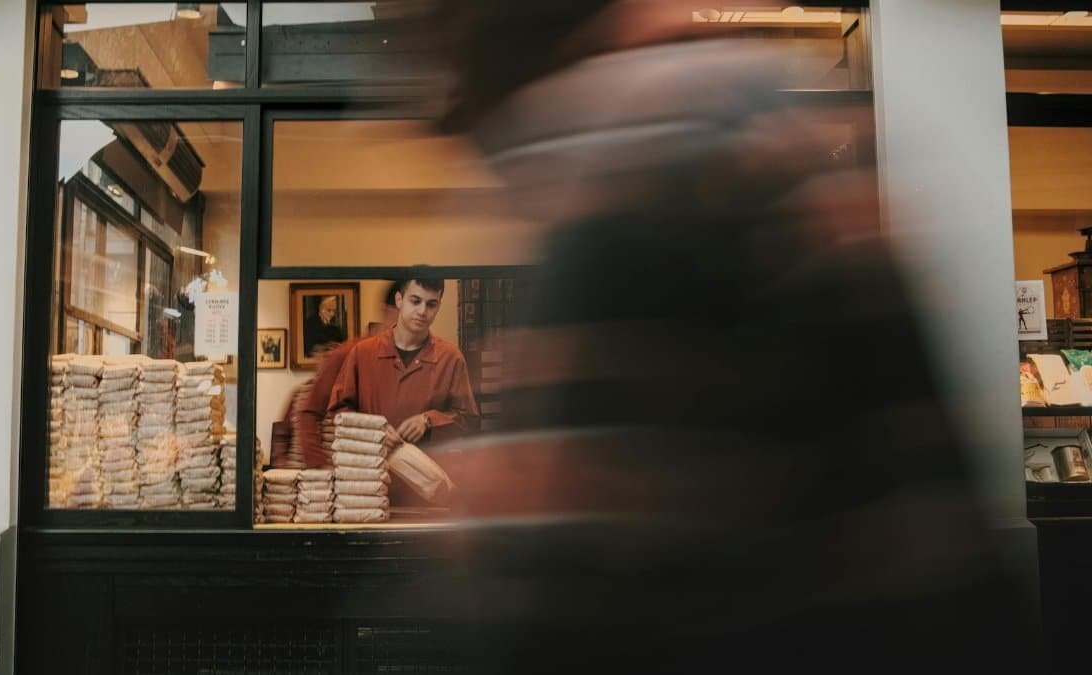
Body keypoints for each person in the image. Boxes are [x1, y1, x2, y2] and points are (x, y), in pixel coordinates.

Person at [390, 1, 1037, 672]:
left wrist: (507, 514)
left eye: (466, 117)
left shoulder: (645, 159)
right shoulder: (748, 126)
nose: (481, 162)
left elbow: (574, 595)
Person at [329, 278, 479, 451]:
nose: (422, 311)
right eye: (415, 301)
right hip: (371, 470)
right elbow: (338, 413)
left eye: (431, 304)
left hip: (428, 472)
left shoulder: (451, 358)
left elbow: (469, 420)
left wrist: (428, 421)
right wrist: (372, 431)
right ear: (399, 300)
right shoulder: (362, 353)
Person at [288, 282, 403, 468]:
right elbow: (308, 413)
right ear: (387, 310)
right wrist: (320, 467)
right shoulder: (349, 354)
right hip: (353, 477)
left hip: (395, 474)